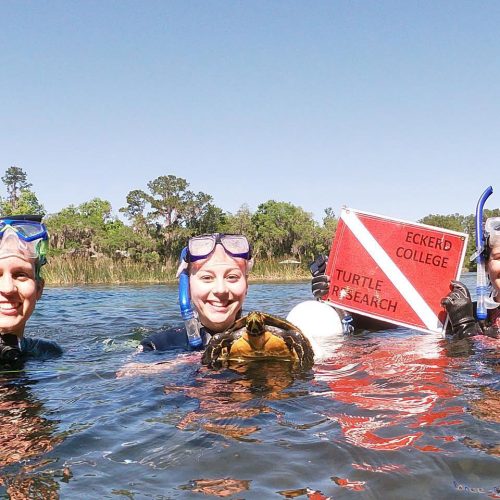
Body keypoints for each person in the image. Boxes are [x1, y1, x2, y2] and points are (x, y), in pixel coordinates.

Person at [139, 233, 253, 352]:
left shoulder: (269, 338)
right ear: (187, 286)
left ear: (246, 285)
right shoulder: (155, 346)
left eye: (232, 277)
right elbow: (128, 370)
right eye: (207, 278)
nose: (221, 290)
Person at [0, 215, 62, 366]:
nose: (8, 288)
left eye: (21, 275)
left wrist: (129, 360)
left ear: (39, 289)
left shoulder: (47, 352)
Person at [441, 216, 499, 339]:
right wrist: (461, 323)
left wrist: (465, 330)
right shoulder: (466, 314)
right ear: (485, 265)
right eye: (499, 257)